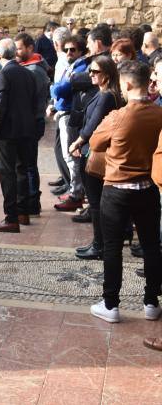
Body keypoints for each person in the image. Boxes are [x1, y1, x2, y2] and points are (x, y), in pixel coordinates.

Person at [89, 61, 162, 323]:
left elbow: (95, 142)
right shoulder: (158, 113)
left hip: (117, 189)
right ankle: (152, 302)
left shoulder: (118, 116)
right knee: (152, 245)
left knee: (112, 247)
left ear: (128, 84)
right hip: (147, 188)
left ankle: (111, 305)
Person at [68, 56, 121, 260]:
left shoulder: (107, 96)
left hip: (94, 154)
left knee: (96, 202)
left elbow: (93, 125)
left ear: (106, 74)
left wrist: (77, 142)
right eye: (90, 70)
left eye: (95, 71)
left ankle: (99, 245)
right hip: (91, 151)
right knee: (96, 202)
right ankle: (98, 243)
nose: (90, 74)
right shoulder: (102, 93)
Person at [0, 38, 38, 233]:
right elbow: (35, 103)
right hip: (26, 129)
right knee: (22, 170)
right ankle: (23, 212)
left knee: (7, 173)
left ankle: (11, 217)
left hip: (7, 131)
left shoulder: (5, 74)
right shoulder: (27, 73)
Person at [50, 35, 88, 211]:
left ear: (80, 51)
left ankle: (76, 194)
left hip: (70, 114)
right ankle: (74, 190)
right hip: (64, 112)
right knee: (67, 155)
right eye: (66, 49)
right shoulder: (71, 65)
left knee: (71, 156)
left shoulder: (80, 66)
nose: (69, 52)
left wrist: (54, 88)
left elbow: (61, 88)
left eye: (73, 49)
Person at [15, 33, 49, 216]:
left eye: (19, 48)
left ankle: (32, 202)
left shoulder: (34, 70)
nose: (17, 52)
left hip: (31, 121)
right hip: (29, 120)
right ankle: (31, 200)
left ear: (30, 48)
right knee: (28, 163)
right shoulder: (28, 67)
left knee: (28, 164)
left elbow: (32, 100)